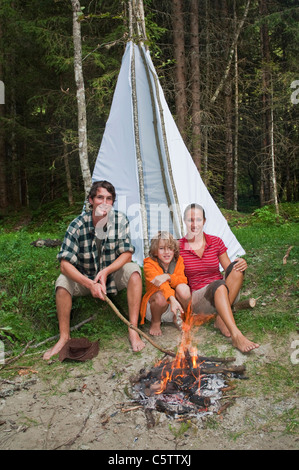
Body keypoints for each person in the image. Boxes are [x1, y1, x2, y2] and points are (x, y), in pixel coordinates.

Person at [43, 180, 145, 360]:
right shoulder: (77, 225)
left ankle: (133, 328)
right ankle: (64, 337)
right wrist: (89, 283)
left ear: (113, 202)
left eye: (109, 198)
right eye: (100, 197)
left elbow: (127, 254)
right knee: (62, 282)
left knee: (134, 271)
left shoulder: (120, 220)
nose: (104, 202)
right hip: (85, 279)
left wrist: (106, 272)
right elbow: (64, 264)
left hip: (112, 276)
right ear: (90, 200)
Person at [179, 203, 259, 353]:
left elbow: (229, 269)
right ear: (184, 221)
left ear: (204, 221)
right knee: (219, 285)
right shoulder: (178, 247)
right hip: (200, 299)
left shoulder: (215, 242)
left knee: (235, 269)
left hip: (224, 292)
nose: (194, 224)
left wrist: (240, 263)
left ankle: (221, 318)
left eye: (198, 219)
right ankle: (237, 336)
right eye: (190, 220)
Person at [140, 231, 191, 336]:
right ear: (155, 251)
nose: (166, 252)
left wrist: (168, 276)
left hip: (175, 306)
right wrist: (172, 299)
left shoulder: (178, 261)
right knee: (160, 296)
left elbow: (182, 279)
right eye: (161, 248)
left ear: (174, 250)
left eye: (170, 248)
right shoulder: (149, 264)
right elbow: (162, 286)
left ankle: (178, 317)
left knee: (184, 288)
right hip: (156, 307)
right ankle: (156, 322)